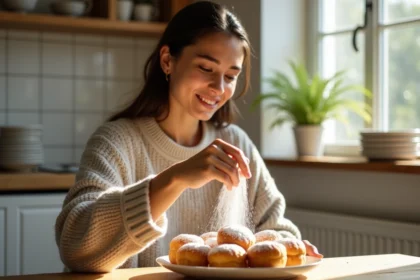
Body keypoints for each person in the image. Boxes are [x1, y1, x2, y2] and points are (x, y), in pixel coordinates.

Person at [55, 1, 322, 273]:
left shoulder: (236, 143)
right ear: (167, 61)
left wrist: (291, 246)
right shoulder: (116, 141)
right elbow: (75, 248)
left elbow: (275, 228)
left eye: (230, 76)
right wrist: (175, 178)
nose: (219, 88)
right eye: (206, 68)